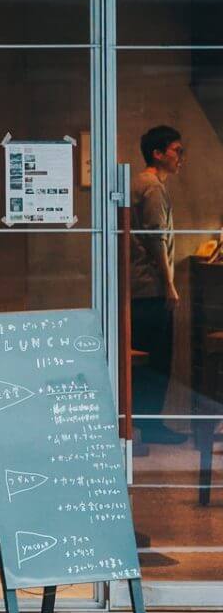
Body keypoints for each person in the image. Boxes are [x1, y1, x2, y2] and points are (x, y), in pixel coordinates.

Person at [131, 125, 186, 445]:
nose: (181, 158)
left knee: (148, 356)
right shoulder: (152, 187)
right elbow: (156, 239)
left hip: (141, 285)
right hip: (150, 286)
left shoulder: (141, 183)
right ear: (158, 153)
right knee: (157, 357)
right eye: (177, 151)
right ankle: (151, 425)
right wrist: (169, 284)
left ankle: (146, 423)